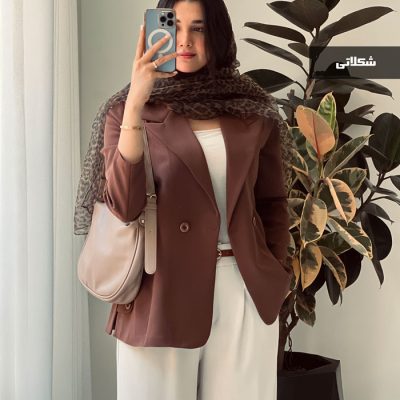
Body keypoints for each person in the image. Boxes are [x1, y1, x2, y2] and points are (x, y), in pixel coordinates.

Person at [74, 0, 295, 399]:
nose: (185, 41)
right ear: (155, 31)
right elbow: (123, 207)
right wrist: (136, 104)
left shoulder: (252, 109)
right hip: (160, 293)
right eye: (174, 26)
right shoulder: (126, 110)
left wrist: (275, 274)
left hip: (243, 290)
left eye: (199, 28)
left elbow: (273, 202)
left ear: (219, 35)